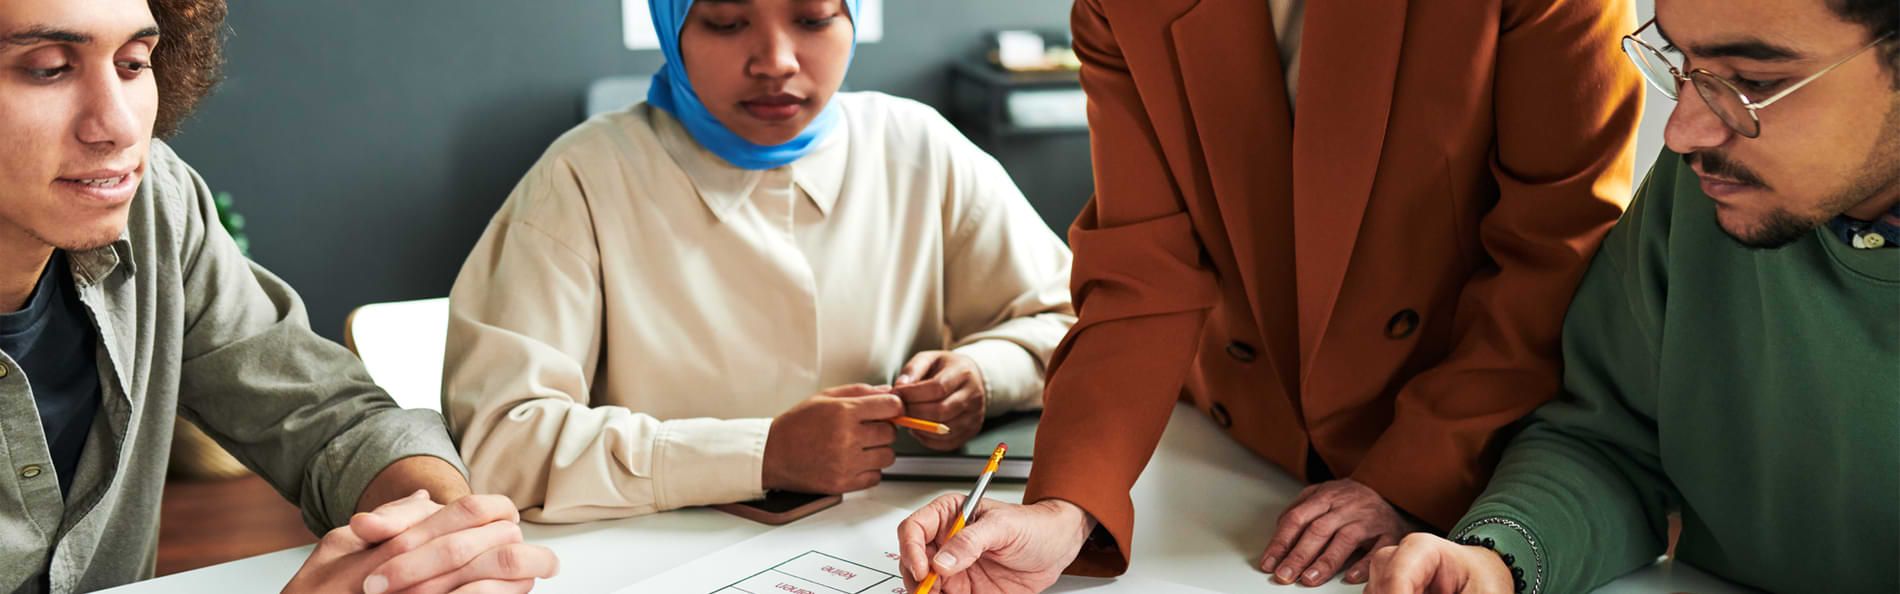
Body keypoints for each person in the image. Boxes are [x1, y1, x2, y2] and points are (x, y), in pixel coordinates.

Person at [897, 0, 1645, 590]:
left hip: (1468, 455)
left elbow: (1555, 251)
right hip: (1242, 444)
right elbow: (1141, 268)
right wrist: (1068, 505)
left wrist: (1413, 471)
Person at [0, 0, 559, 592]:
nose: (117, 125)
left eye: (135, 63)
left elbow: (325, 418)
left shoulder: (157, 205)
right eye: (49, 68)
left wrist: (441, 531)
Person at [443, 0, 1074, 523]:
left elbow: (1073, 323)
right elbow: (504, 446)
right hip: (657, 557)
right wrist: (760, 454)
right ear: (673, 28)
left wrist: (983, 375)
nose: (775, 61)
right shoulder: (580, 178)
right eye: (725, 21)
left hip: (889, 540)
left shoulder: (918, 148)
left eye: (815, 18)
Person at [1365, 0, 1899, 592]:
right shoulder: (1711, 188)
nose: (1682, 133)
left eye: (1754, 82)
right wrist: (1498, 559)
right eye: (1681, 62)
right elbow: (1611, 445)